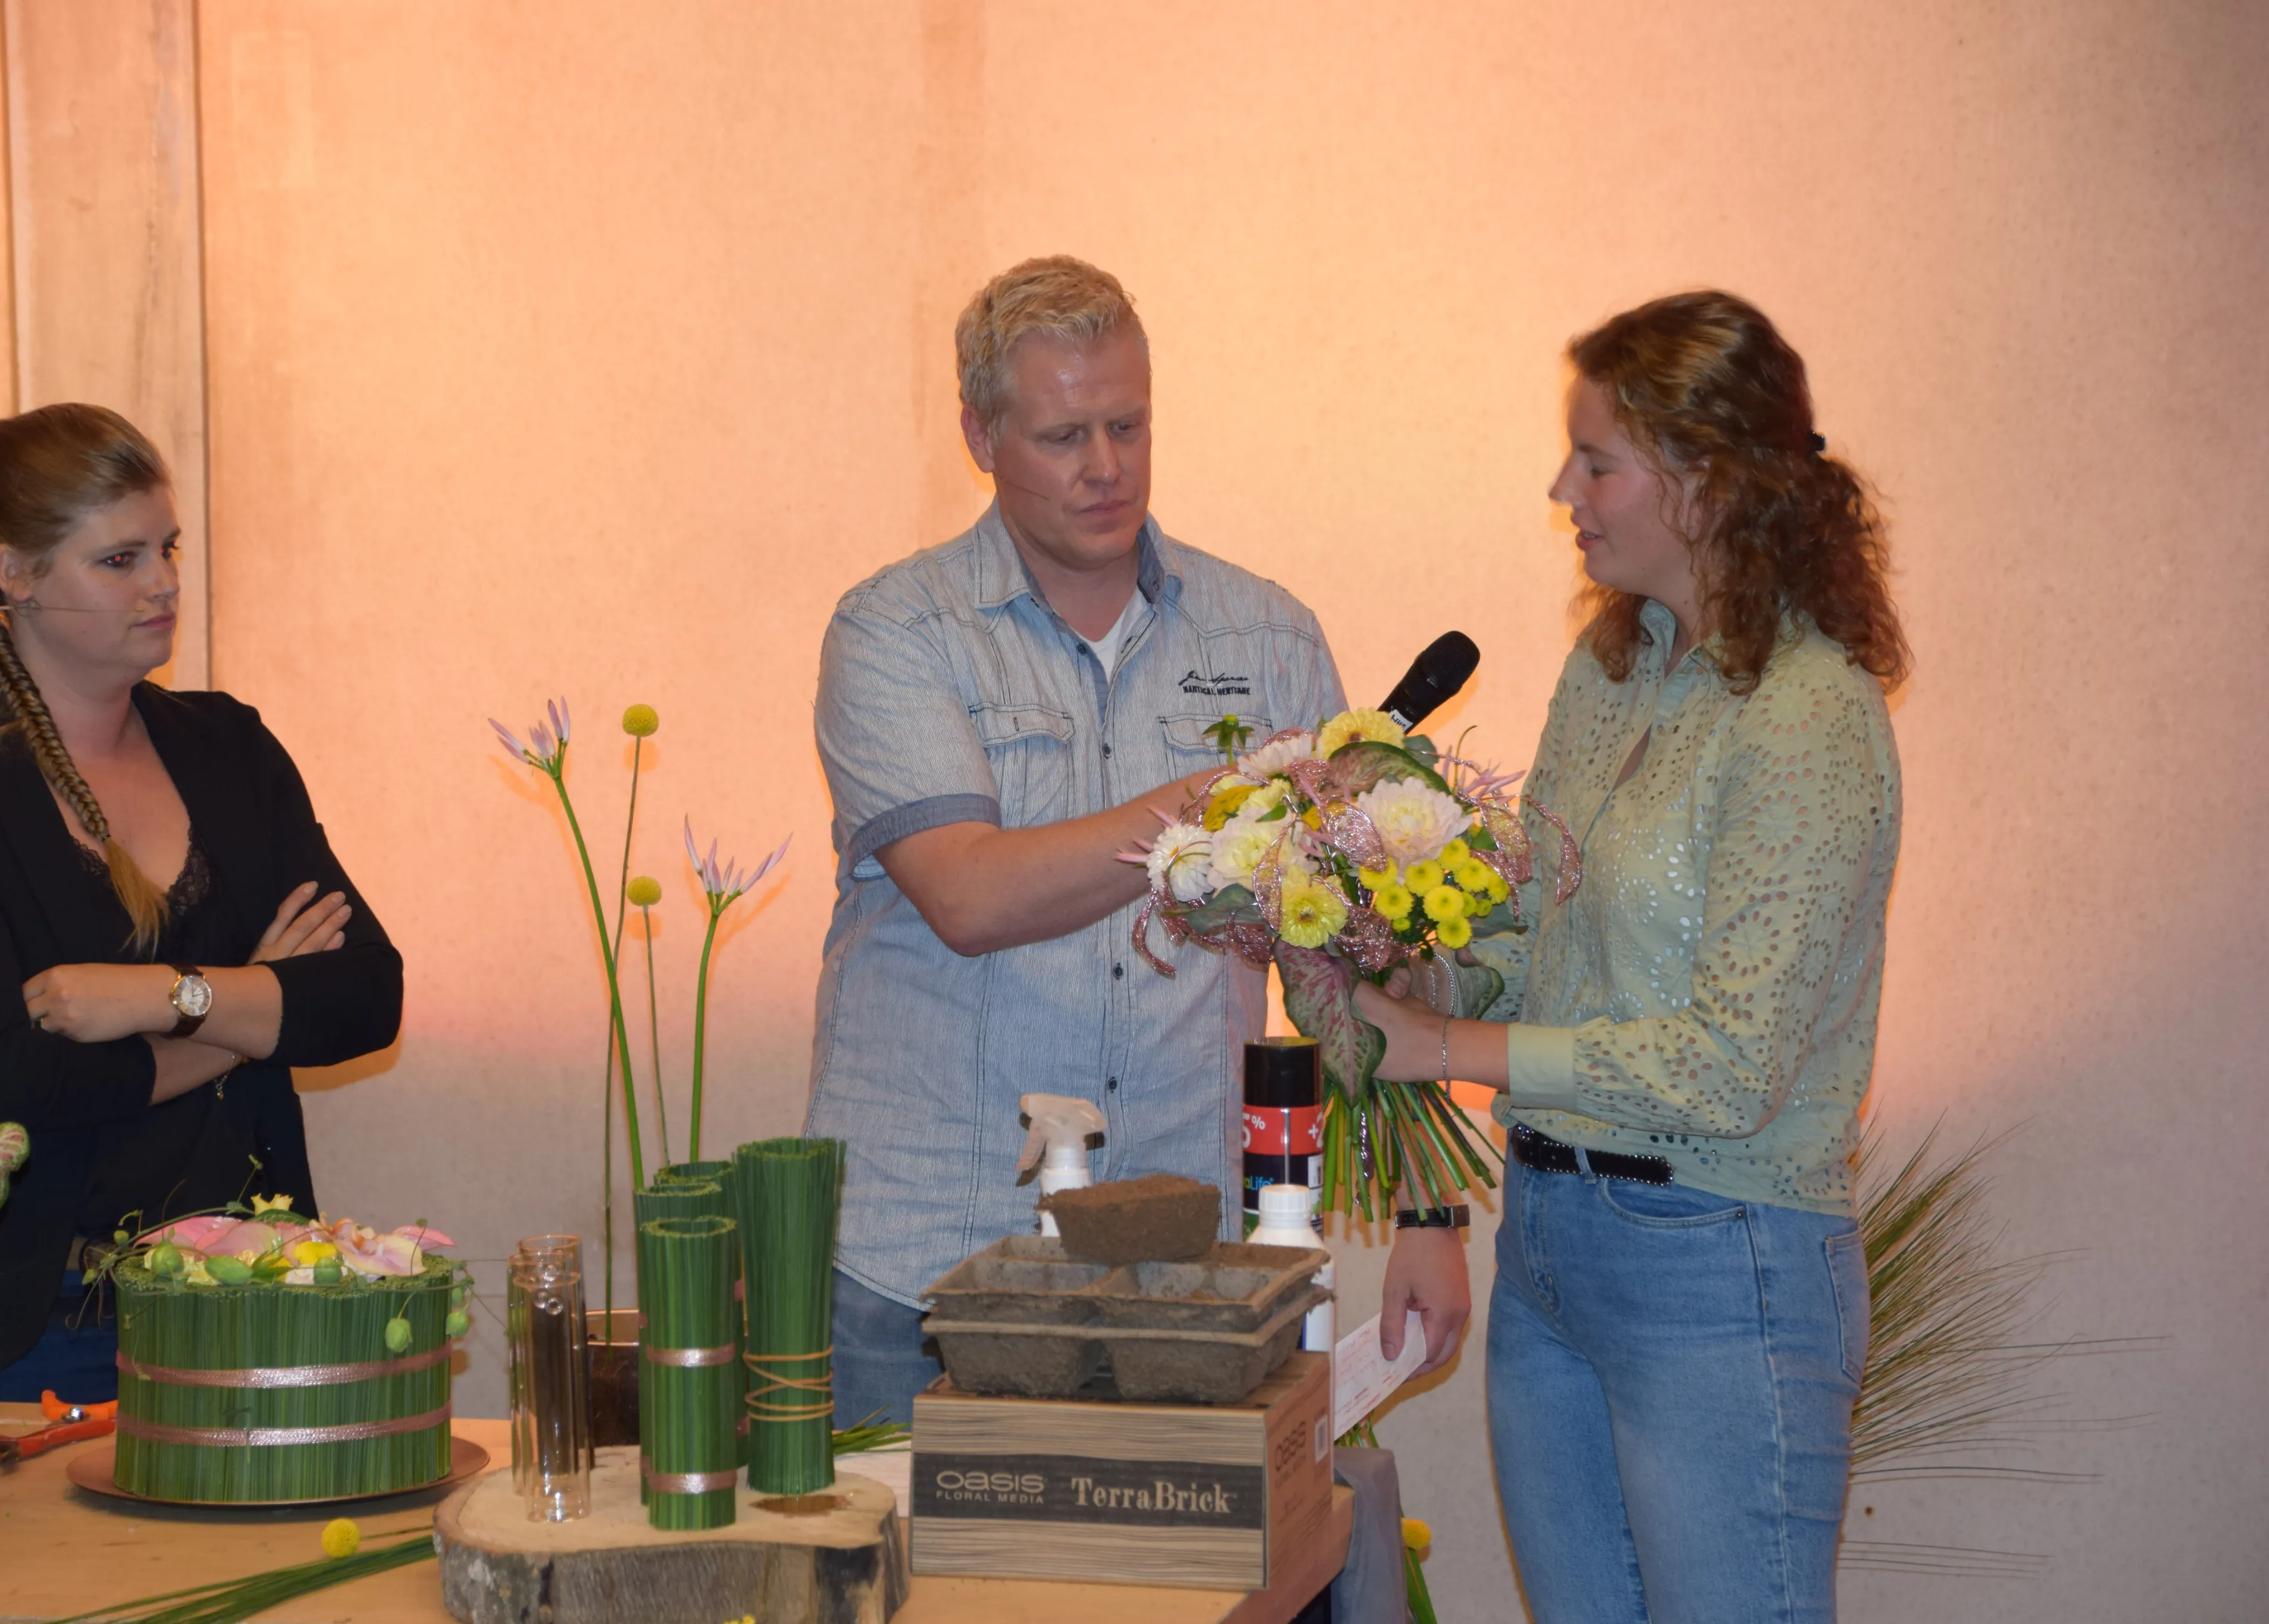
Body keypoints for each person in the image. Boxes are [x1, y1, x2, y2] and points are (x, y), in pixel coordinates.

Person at [1362, 291, 1906, 1621]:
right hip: (1550, 1245)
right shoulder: (1608, 676)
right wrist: (1398, 969)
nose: (1565, 488)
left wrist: (1448, 1046)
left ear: (1708, 479)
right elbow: (1535, 951)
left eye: (1597, 459)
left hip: (1720, 1262)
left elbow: (1730, 1070)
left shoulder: (1810, 718)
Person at [808, 257, 1347, 1422]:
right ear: (979, 434)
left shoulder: (1270, 635)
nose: (1107, 469)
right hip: (923, 1265)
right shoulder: (899, 632)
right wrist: (1214, 804)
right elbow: (971, 899)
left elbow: (1338, 965)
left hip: (1174, 1271)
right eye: (1063, 437)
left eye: (1129, 425)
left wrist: (1439, 1215)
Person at [0, 403, 403, 1399]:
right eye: (120, 560)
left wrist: (156, 996)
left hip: (252, 1294)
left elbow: (364, 996)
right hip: (25, 1324)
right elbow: (14, 1087)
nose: (165, 584)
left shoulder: (229, 747)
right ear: (15, 575)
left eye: (168, 550)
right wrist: (241, 1019)